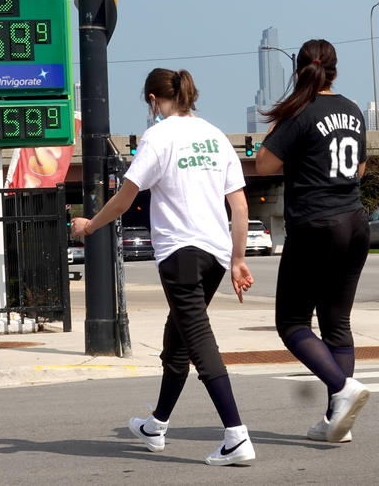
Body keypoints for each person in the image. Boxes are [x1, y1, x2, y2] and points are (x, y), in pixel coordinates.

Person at [71, 68, 256, 467]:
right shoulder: (215, 135)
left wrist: (90, 225)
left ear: (153, 101)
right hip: (215, 256)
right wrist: (238, 260)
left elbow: (124, 198)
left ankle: (236, 435)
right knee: (178, 338)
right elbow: (239, 205)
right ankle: (155, 425)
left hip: (180, 255)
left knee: (199, 340)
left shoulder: (157, 137)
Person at [254, 39, 371, 444]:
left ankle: (343, 389)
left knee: (292, 323)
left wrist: (279, 125)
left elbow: (264, 163)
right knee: (337, 323)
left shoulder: (300, 111)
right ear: (334, 70)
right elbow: (359, 168)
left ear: (299, 70)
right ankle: (338, 421)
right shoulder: (354, 110)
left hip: (316, 225)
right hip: (356, 221)